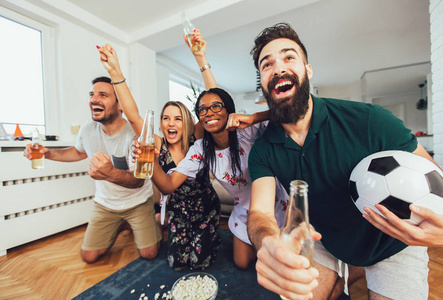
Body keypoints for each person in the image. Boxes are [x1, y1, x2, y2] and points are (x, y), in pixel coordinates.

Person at [247, 23, 443, 300]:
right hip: (324, 240)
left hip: (394, 243)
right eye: (267, 65)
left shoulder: (371, 121)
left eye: (289, 57)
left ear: (308, 70)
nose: (278, 68)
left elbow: (441, 185)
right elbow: (260, 214)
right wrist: (268, 242)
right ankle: (349, 269)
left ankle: (354, 270)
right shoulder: (262, 149)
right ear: (263, 83)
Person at [133, 31, 290, 270]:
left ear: (229, 110)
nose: (209, 112)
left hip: (275, 203)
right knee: (242, 263)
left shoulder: (248, 131)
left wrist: (253, 116)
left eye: (217, 107)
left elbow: (287, 111)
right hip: (243, 210)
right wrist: (153, 159)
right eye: (203, 110)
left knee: (275, 258)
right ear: (199, 119)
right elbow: (166, 185)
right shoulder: (199, 150)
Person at [97, 44, 222, 271]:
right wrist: (115, 72)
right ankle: (161, 222)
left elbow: (215, 105)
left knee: (199, 264)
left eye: (176, 118)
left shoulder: (196, 138)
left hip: (205, 209)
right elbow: (134, 116)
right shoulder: (156, 144)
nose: (170, 123)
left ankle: (211, 236)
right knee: (177, 264)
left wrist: (201, 58)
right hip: (178, 213)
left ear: (186, 122)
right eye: (165, 118)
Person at [24, 76, 161, 264]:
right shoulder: (88, 128)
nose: (94, 100)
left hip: (137, 202)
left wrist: (111, 173)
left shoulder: (133, 135)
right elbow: (78, 152)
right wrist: (48, 154)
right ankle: (121, 224)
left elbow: (138, 181)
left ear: (120, 105)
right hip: (106, 204)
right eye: (92, 95)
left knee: (150, 253)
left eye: (103, 95)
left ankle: (151, 222)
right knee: (88, 256)